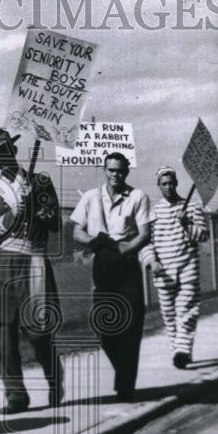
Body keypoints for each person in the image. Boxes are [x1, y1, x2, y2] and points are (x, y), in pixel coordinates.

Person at [0, 127, 64, 414]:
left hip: (34, 259)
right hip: (4, 261)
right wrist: (14, 213)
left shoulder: (40, 181)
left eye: (3, 151)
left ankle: (55, 379)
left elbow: (54, 222)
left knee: (38, 331)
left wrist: (35, 205)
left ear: (13, 151)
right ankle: (16, 395)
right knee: (5, 332)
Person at [71, 152, 151, 402]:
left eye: (119, 170)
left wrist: (124, 249)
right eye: (110, 170)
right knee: (104, 326)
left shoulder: (138, 196)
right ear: (104, 170)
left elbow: (145, 233)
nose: (115, 174)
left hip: (126, 263)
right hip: (103, 262)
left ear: (126, 171)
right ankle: (124, 372)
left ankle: (126, 385)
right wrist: (94, 241)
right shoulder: (90, 197)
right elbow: (76, 231)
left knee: (130, 324)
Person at [143, 166, 209, 369]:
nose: (168, 187)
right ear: (158, 186)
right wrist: (152, 262)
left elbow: (203, 235)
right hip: (163, 274)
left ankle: (182, 352)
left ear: (177, 183)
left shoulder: (192, 207)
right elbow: (147, 242)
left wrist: (186, 223)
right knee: (169, 317)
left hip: (188, 269)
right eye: (164, 184)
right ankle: (177, 351)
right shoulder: (154, 212)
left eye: (171, 183)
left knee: (187, 312)